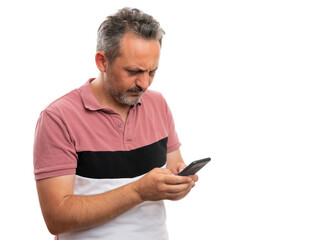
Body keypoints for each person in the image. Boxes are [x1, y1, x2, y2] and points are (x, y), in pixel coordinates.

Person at [33, 7, 198, 240]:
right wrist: (139, 191)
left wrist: (179, 184)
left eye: (152, 71)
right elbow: (56, 218)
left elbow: (173, 169)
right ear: (102, 61)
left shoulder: (158, 104)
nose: (144, 83)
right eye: (133, 71)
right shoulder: (58, 118)